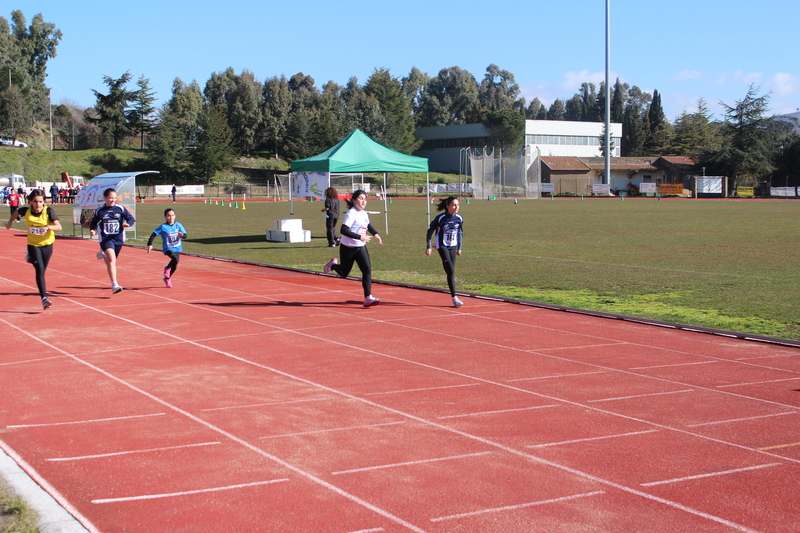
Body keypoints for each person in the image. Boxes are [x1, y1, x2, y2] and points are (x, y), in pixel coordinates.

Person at [323, 190, 382, 307]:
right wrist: (360, 236)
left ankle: (368, 297)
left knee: (367, 270)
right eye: (360, 198)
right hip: (348, 247)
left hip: (360, 247)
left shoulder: (364, 213)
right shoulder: (351, 213)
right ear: (354, 200)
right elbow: (343, 230)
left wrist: (376, 234)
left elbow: (367, 224)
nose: (363, 201)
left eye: (365, 199)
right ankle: (333, 265)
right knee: (344, 273)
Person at [5, 189, 62, 310]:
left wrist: (48, 227)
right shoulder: (26, 211)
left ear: (44, 202)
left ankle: (31, 258)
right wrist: (10, 223)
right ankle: (44, 299)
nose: (38, 204)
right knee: (40, 270)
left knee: (43, 269)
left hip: (47, 244)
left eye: (40, 202)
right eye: (35, 202)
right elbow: (16, 212)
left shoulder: (48, 211)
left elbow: (59, 227)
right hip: (33, 244)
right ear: (31, 202)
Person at [89, 188, 136, 294]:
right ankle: (114, 284)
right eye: (110, 197)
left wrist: (129, 224)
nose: (112, 200)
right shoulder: (100, 211)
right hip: (106, 238)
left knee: (111, 262)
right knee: (112, 259)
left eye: (114, 198)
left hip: (118, 238)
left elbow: (131, 218)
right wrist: (92, 230)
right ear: (105, 198)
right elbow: (93, 222)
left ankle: (101, 253)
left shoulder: (120, 209)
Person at [425, 196, 464, 308]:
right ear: (447, 206)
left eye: (457, 205)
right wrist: (429, 246)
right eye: (453, 205)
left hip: (453, 246)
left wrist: (459, 247)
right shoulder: (440, 218)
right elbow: (430, 231)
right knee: (451, 271)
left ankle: (453, 297)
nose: (456, 207)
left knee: (450, 272)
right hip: (442, 246)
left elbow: (460, 232)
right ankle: (455, 298)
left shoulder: (459, 218)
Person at [147, 208, 187, 288]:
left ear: (175, 216)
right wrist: (150, 244)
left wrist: (182, 235)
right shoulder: (163, 227)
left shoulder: (178, 225)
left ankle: (167, 278)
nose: (171, 217)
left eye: (172, 215)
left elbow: (185, 236)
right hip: (168, 248)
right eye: (168, 216)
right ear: (165, 217)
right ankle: (167, 268)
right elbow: (153, 234)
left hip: (177, 248)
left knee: (175, 265)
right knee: (174, 259)